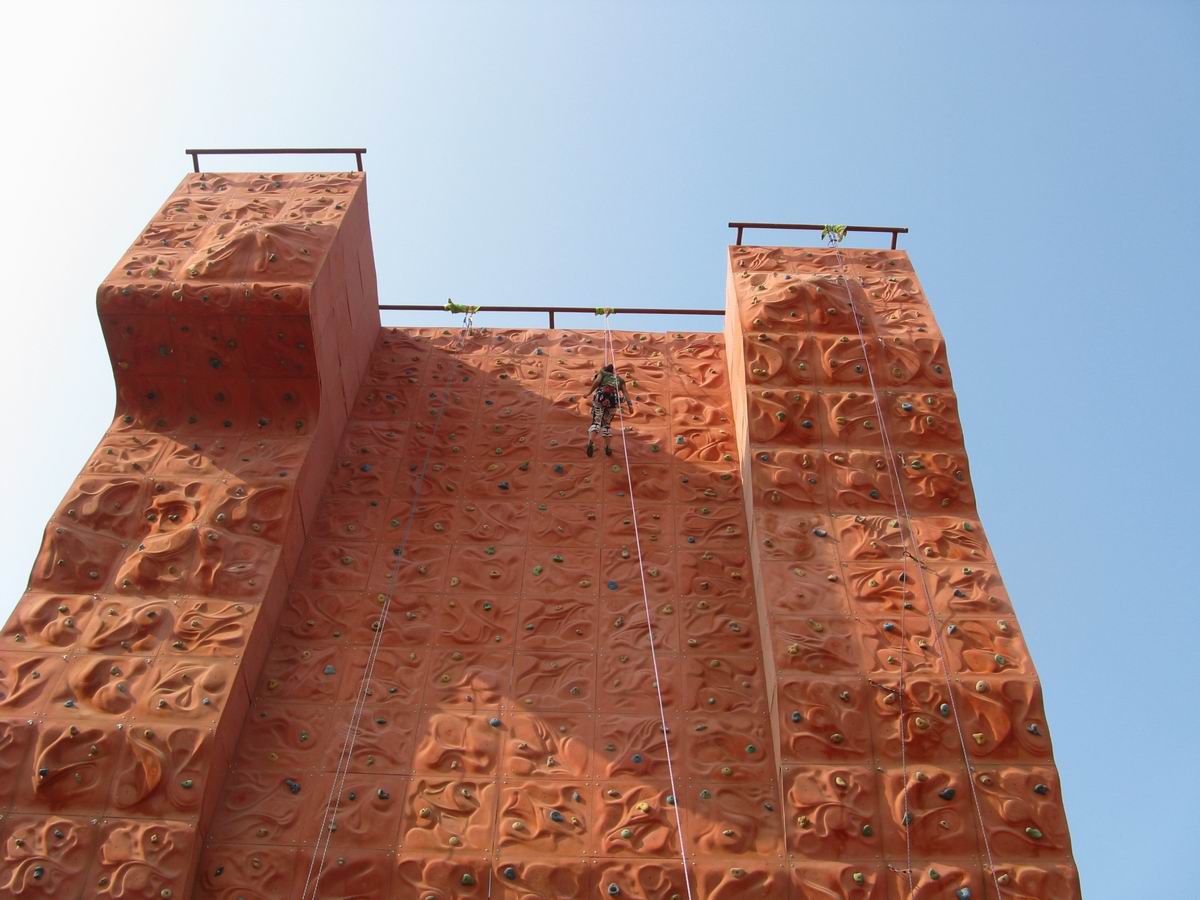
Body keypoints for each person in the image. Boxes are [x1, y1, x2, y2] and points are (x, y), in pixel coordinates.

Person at [586, 363, 633, 457]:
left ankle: (590, 442)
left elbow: (596, 382)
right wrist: (630, 405)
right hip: (613, 400)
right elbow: (625, 393)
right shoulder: (620, 380)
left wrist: (589, 392)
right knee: (606, 424)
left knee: (596, 421)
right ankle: (607, 447)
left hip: (601, 397)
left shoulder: (602, 373)